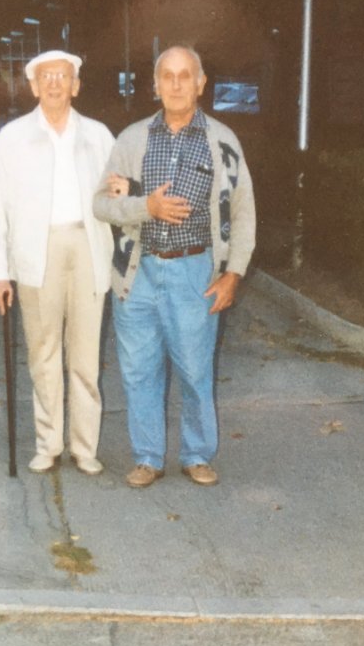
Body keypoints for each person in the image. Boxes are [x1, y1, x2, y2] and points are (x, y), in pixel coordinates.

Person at [93, 45, 255, 488]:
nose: (177, 84)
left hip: (195, 272)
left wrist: (233, 274)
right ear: (156, 84)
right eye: (168, 76)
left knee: (195, 370)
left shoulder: (223, 141)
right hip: (138, 272)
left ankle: (197, 454)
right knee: (139, 371)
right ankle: (148, 457)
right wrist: (145, 207)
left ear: (201, 84)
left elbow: (243, 212)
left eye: (186, 76)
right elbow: (101, 204)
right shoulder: (131, 140)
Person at [0, 50, 114, 475]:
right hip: (36, 252)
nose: (55, 83)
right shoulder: (12, 137)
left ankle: (84, 447)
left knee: (85, 356)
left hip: (87, 245)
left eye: (63, 76)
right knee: (43, 353)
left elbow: (118, 194)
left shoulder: (98, 135)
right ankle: (48, 443)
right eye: (46, 77)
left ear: (76, 85)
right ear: (34, 87)